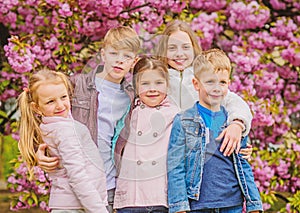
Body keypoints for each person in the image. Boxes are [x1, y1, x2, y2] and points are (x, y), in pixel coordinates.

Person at [35, 26, 141, 213]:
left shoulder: (132, 97)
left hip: (107, 187)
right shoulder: (77, 85)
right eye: (114, 53)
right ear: (103, 54)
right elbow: (44, 116)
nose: (119, 60)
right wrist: (38, 151)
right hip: (73, 184)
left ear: (134, 61)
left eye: (126, 56)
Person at [167, 49, 263, 213]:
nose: (217, 88)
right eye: (210, 82)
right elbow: (175, 167)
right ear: (196, 84)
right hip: (198, 204)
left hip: (232, 204)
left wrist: (254, 204)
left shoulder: (232, 122)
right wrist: (179, 207)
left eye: (222, 82)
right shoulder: (183, 121)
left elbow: (243, 164)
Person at [156, 20, 253, 157]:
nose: (179, 54)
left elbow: (234, 102)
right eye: (172, 48)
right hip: (167, 154)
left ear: (193, 48)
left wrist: (237, 125)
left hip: (201, 156)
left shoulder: (204, 78)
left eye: (185, 47)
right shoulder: (158, 80)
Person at [17, 69, 108, 213]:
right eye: (50, 101)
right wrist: (99, 209)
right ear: (37, 108)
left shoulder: (54, 124)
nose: (60, 105)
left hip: (71, 203)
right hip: (77, 205)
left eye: (64, 97)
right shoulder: (65, 131)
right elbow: (77, 175)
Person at [112, 56, 180, 213]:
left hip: (159, 197)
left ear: (167, 85)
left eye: (158, 83)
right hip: (130, 198)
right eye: (145, 83)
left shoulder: (175, 115)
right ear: (136, 85)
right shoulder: (128, 112)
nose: (152, 89)